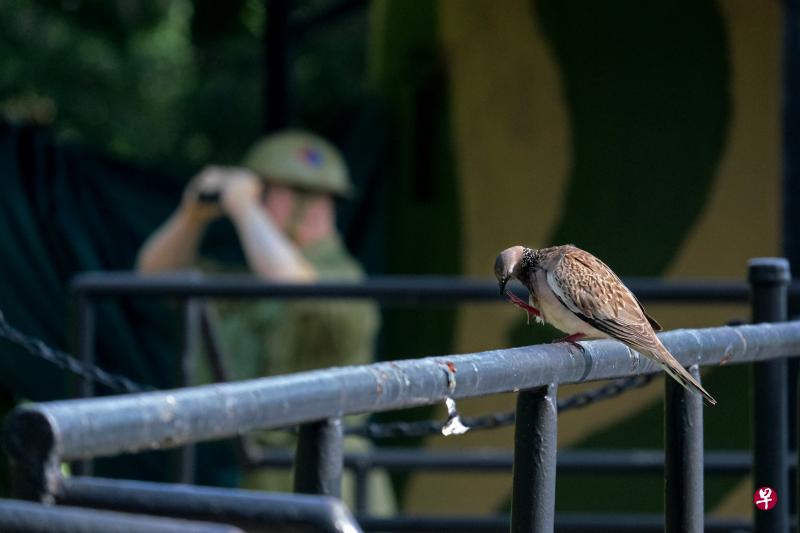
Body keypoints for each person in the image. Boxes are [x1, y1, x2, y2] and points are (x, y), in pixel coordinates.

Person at [136, 130, 393, 513]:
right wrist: (192, 216)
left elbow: (297, 286)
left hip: (336, 479)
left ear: (314, 207)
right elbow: (153, 277)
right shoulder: (255, 280)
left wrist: (243, 208)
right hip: (265, 477)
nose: (257, 203)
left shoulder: (343, 279)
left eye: (267, 194)